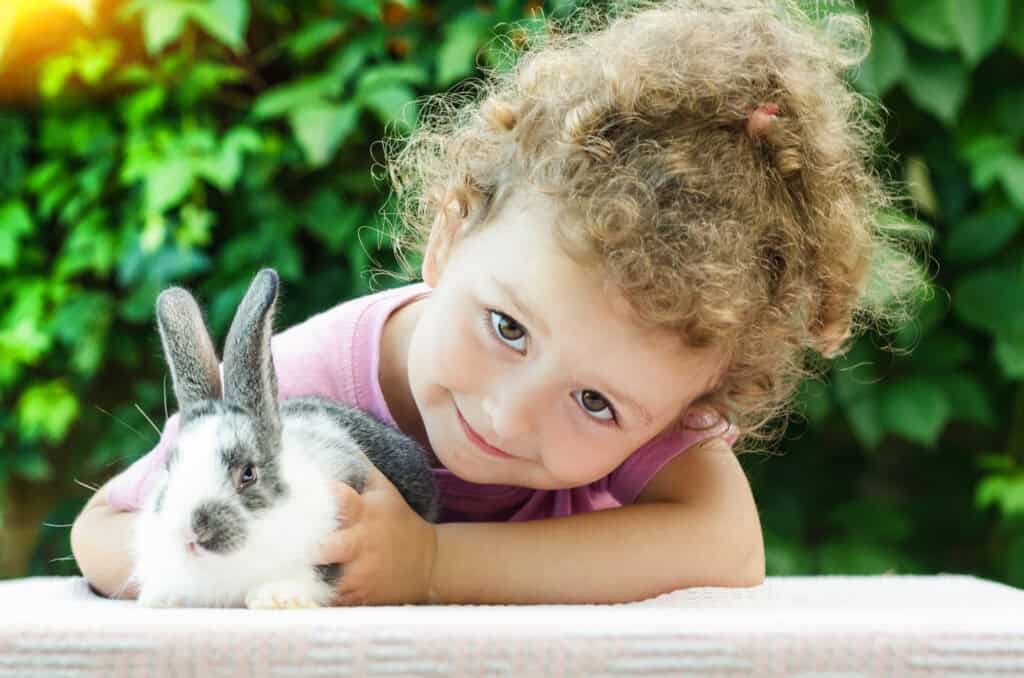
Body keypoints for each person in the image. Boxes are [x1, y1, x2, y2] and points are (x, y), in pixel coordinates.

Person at [71, 0, 924, 606]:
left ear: (686, 408)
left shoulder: (659, 405)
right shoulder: (298, 385)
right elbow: (100, 532)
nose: (511, 416)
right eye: (508, 327)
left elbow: (729, 547)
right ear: (451, 234)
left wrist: (433, 564)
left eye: (596, 404)